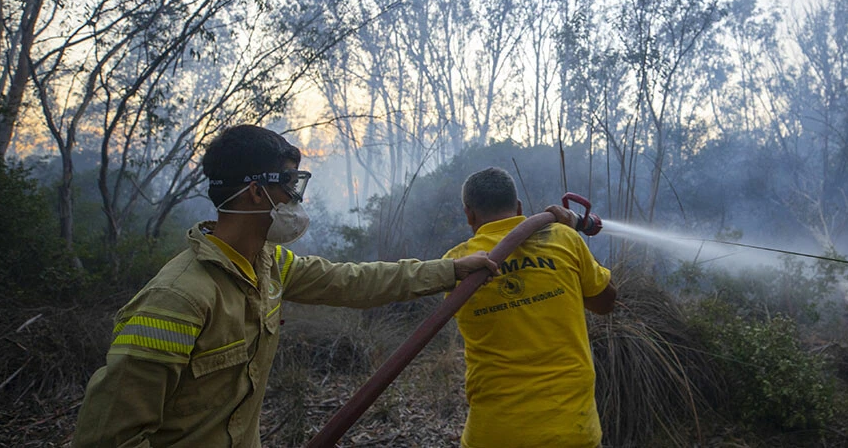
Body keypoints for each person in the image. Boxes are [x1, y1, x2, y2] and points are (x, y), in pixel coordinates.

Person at [73, 124, 499, 448]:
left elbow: (354, 282)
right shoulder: (177, 298)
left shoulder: (269, 265)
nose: (296, 199)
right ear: (258, 192)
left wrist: (451, 270)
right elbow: (112, 435)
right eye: (290, 185)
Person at [442, 167, 618, 448]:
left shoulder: (455, 264)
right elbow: (606, 302)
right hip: (572, 431)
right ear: (519, 207)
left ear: (469, 215)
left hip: (493, 435)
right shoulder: (563, 239)